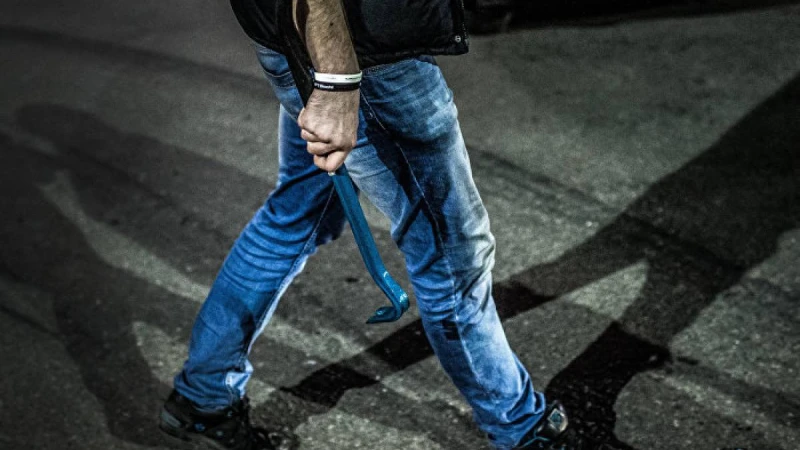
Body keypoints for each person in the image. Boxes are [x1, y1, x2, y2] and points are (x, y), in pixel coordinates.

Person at [158, 0, 577, 449]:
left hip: (296, 39)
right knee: (452, 259)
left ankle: (203, 397)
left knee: (296, 216)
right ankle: (520, 428)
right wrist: (337, 84)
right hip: (364, 60)